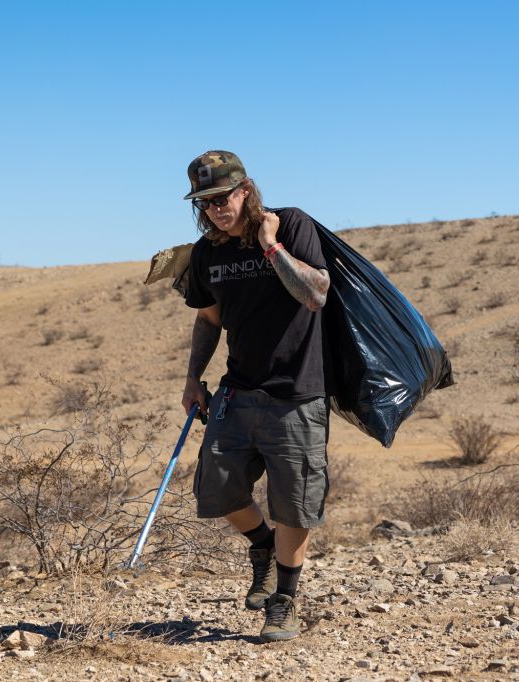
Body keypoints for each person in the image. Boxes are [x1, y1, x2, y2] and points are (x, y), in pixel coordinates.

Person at [179, 150, 331, 642]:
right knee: (216, 489)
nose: (216, 209)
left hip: (297, 396)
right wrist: (191, 379)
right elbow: (208, 319)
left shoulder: (291, 225)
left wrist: (271, 248)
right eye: (206, 202)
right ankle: (261, 546)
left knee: (295, 505)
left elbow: (315, 294)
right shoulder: (207, 253)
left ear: (246, 190)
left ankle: (284, 599)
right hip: (237, 393)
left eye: (223, 197)